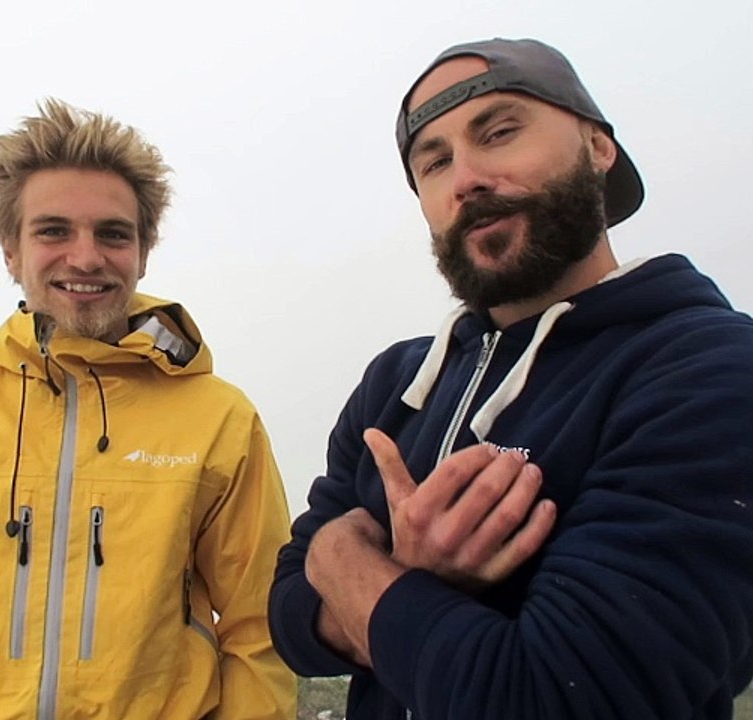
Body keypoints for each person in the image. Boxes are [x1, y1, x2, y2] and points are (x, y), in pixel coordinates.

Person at [268, 37, 753, 719]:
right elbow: (290, 621)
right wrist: (411, 589)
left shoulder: (709, 368)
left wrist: (346, 561)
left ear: (598, 147)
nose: (465, 178)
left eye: (498, 132)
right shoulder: (395, 383)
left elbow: (550, 697)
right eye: (434, 162)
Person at [0, 98, 296, 720]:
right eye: (53, 231)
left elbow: (259, 625)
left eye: (113, 233)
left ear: (143, 251)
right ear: (10, 250)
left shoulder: (220, 420)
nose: (86, 257)